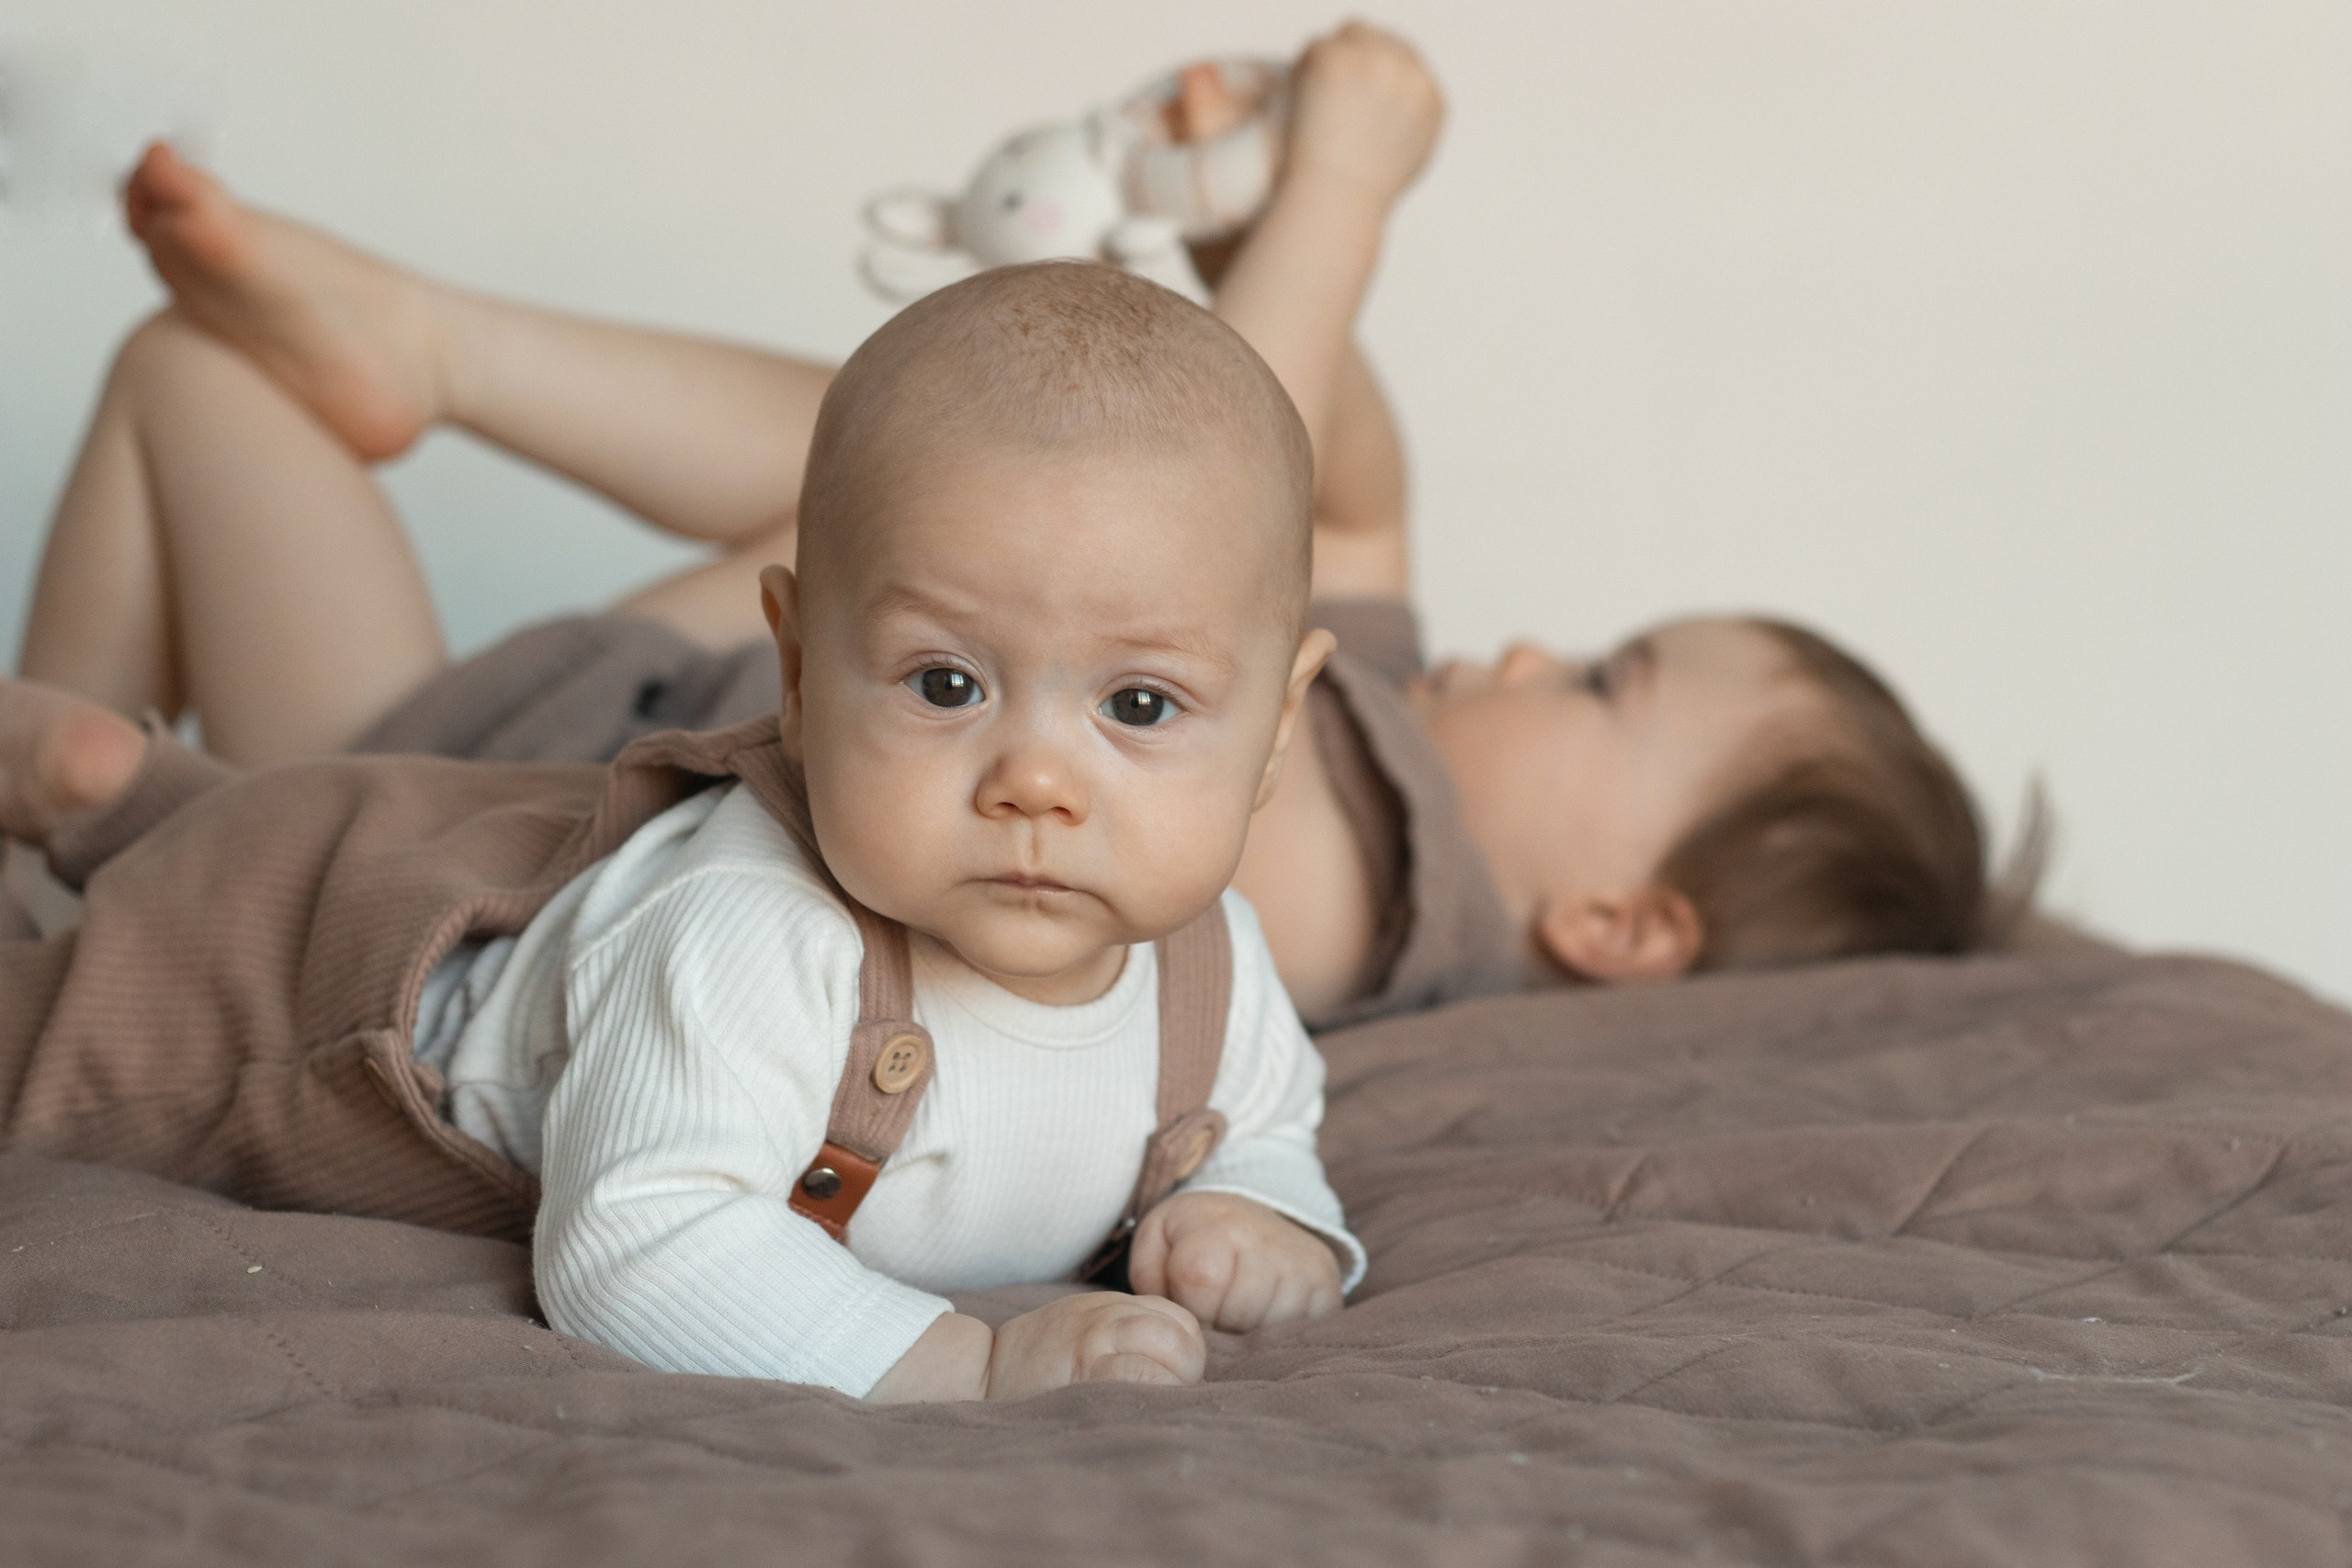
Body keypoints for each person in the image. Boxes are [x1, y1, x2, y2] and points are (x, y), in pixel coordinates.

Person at [10, 24, 1997, 1033]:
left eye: (1597, 678)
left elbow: (1266, 483)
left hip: (464, 804)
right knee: (195, 376)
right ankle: (74, 808)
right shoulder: (1370, 690)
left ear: (1615, 923)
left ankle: (114, 838)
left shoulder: (1345, 891)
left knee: (996, 496)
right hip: (566, 694)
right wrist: (1245, 228)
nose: (1520, 648)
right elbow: (1353, 472)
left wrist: (1348, 205)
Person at [0, 259, 1365, 1403]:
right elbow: (633, 1246)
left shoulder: (1212, 964)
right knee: (52, 1028)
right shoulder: (754, 931)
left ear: (1277, 730)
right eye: (946, 684)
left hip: (484, 849)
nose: (1036, 784)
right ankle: (120, 817)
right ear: (793, 671)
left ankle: (119, 795)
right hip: (294, 987)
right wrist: (967, 1367)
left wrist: (1265, 1211)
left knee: (220, 819)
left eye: (1139, 703)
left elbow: (1265, 1121)